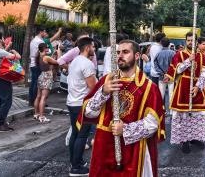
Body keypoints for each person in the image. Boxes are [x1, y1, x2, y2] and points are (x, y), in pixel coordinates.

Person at [77, 40, 165, 177]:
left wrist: (125, 129)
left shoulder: (149, 88)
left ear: (136, 56)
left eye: (125, 52)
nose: (120, 56)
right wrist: (103, 92)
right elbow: (89, 112)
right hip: (104, 145)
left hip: (134, 149)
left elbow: (153, 124)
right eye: (118, 52)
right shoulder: (107, 81)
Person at [165, 33, 205, 153]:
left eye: (192, 40)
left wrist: (198, 87)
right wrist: (188, 61)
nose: (190, 42)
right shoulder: (179, 54)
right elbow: (178, 70)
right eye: (188, 40)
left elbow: (204, 74)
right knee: (183, 115)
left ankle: (194, 138)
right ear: (186, 41)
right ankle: (184, 140)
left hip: (197, 88)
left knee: (197, 115)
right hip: (183, 88)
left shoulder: (202, 56)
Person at [66, 37, 97, 176]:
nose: (94, 49)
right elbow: (92, 87)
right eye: (93, 47)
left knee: (75, 133)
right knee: (82, 135)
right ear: (87, 47)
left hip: (72, 102)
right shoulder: (87, 63)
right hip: (81, 104)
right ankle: (76, 167)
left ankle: (74, 162)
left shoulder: (75, 61)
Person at [0, 31, 21, 132]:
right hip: (2, 79)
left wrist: (7, 46)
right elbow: (17, 57)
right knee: (7, 101)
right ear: (0, 40)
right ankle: (0, 124)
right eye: (3, 38)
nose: (4, 39)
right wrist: (15, 52)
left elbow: (3, 53)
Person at [33, 43, 61, 123]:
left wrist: (53, 54)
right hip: (47, 77)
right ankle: (42, 117)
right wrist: (59, 53)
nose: (48, 48)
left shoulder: (39, 56)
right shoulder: (46, 57)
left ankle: (36, 114)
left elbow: (49, 60)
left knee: (38, 96)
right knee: (43, 98)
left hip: (41, 76)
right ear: (44, 49)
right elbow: (58, 62)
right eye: (47, 47)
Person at [29, 27, 48, 105]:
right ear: (41, 32)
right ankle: (36, 102)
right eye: (44, 31)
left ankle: (32, 100)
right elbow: (45, 51)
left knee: (33, 83)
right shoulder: (40, 41)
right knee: (37, 84)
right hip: (37, 64)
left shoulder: (33, 40)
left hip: (33, 64)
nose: (45, 33)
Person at [156, 37, 175, 110]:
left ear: (161, 43)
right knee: (171, 94)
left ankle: (160, 110)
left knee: (161, 94)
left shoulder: (158, 53)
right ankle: (171, 111)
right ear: (169, 44)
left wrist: (162, 73)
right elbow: (175, 65)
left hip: (161, 76)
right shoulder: (173, 53)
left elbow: (155, 65)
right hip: (171, 76)